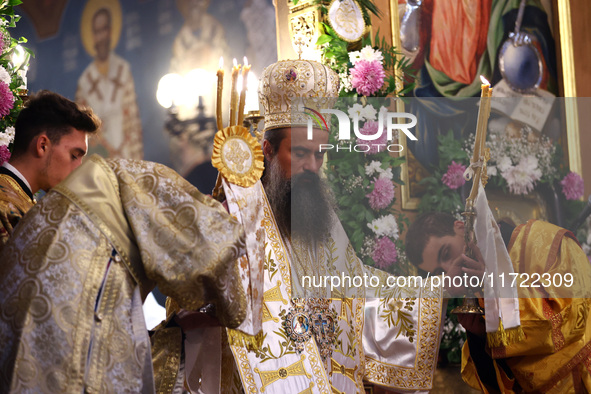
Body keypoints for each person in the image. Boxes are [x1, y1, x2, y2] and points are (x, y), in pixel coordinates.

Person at [175, 59, 447, 393]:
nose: (311, 166)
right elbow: (188, 307)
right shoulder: (230, 218)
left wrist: (433, 293)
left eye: (319, 155)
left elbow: (358, 289)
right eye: (300, 153)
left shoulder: (321, 219)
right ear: (267, 151)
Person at [0, 154, 247, 393]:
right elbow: (105, 371)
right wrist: (178, 334)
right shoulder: (99, 270)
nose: (78, 165)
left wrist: (177, 329)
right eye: (74, 154)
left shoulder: (64, 233)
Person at [405, 211, 591, 393]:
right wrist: (480, 336)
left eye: (446, 254)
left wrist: (493, 284)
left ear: (461, 227)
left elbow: (574, 314)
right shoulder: (476, 294)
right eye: (440, 271)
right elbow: (501, 383)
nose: (450, 269)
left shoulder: (542, 239)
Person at [0, 90, 100, 252]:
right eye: (74, 156)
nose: (79, 169)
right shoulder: (5, 208)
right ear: (42, 146)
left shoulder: (25, 204)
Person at [76, 2, 143, 160]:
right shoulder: (85, 80)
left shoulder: (123, 70)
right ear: (92, 35)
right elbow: (82, 127)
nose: (102, 36)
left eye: (105, 29)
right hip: (99, 154)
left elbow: (132, 118)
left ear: (111, 31)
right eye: (97, 31)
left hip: (126, 152)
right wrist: (105, 148)